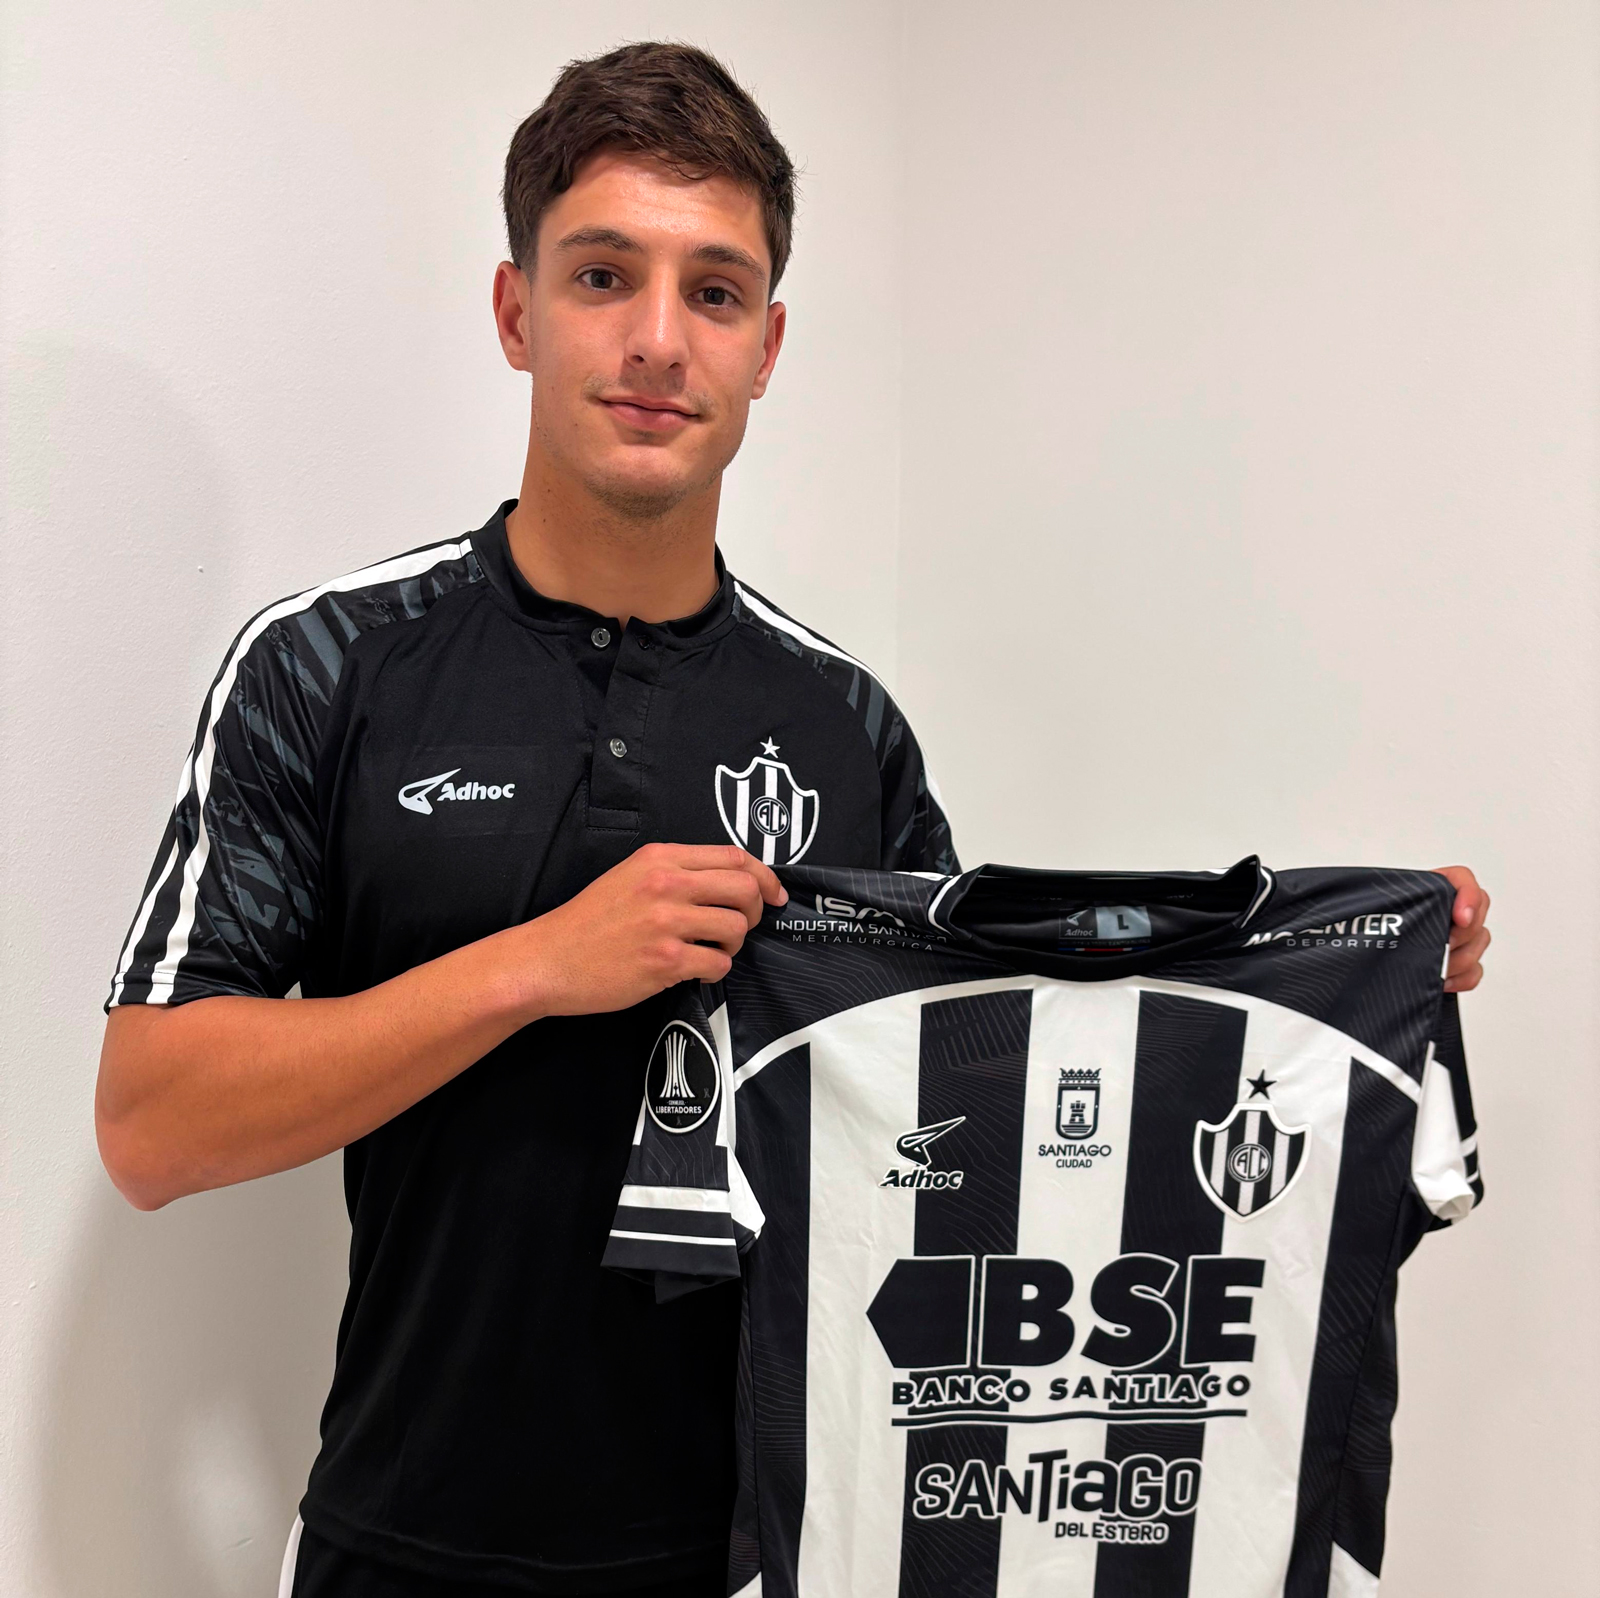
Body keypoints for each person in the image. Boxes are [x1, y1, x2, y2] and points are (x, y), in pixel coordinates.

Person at [93, 40, 1492, 1598]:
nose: (656, 338)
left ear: (766, 346)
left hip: (775, 1555)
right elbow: (152, 1122)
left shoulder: (847, 728)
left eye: (714, 291)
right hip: (406, 1548)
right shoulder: (329, 667)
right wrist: (540, 964)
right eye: (603, 275)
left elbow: (990, 1098)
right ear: (516, 311)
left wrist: (1335, 961)